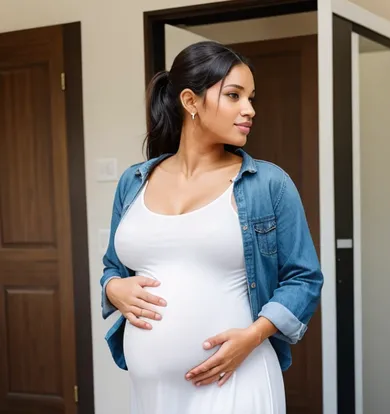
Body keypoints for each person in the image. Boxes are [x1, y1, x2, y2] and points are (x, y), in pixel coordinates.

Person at [99, 41, 323, 414]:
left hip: (236, 380)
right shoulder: (133, 182)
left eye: (251, 97)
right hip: (150, 393)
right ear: (190, 102)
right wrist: (112, 287)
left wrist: (253, 338)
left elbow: (304, 278)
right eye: (234, 96)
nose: (249, 110)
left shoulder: (268, 183)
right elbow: (113, 267)